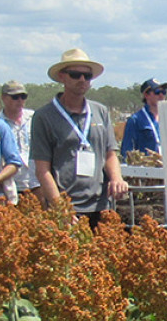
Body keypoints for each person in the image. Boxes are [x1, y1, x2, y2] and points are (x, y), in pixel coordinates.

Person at [31, 48, 127, 224]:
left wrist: (117, 178)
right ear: (62, 77)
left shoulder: (100, 111)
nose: (82, 80)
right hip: (68, 208)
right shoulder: (44, 116)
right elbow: (42, 169)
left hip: (101, 205)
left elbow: (110, 154)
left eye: (87, 76)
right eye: (75, 74)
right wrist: (60, 207)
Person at [0, 81, 38, 204]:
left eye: (23, 97)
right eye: (15, 97)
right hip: (10, 185)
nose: (20, 100)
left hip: (34, 182)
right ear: (4, 98)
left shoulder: (35, 117)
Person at [120, 78, 167, 157]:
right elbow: (127, 151)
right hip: (148, 167)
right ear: (146, 95)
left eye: (164, 92)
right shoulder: (135, 120)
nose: (161, 95)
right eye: (157, 92)